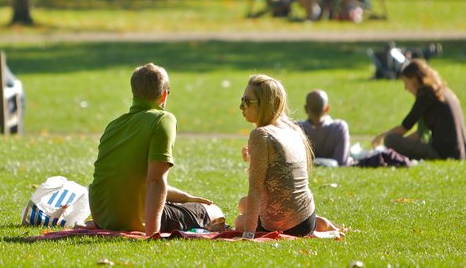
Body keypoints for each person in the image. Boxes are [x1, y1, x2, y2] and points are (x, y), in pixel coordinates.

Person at [88, 63, 223, 234]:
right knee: (215, 212)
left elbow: (134, 180)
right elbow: (155, 181)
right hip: (135, 220)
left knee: (181, 205)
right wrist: (152, 233)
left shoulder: (114, 125)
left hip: (103, 217)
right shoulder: (162, 120)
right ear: (164, 94)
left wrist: (186, 198)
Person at [234, 74, 316, 237]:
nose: (241, 107)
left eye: (247, 101)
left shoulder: (261, 134)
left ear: (265, 104)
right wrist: (252, 158)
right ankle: (319, 222)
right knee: (243, 204)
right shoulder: (292, 129)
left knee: (239, 221)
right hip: (307, 219)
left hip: (286, 226)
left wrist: (249, 234)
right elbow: (281, 172)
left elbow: (256, 189)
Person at [372, 59, 466, 161]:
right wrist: (404, 143)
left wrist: (382, 137)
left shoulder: (426, 95)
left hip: (443, 153)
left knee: (390, 140)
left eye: (406, 83)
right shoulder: (444, 91)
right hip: (461, 153)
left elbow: (405, 127)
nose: (406, 88)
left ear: (414, 79)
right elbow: (420, 134)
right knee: (394, 140)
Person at [297, 90, 350, 167]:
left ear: (306, 109)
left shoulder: (297, 129)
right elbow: (341, 161)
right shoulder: (339, 128)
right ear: (327, 108)